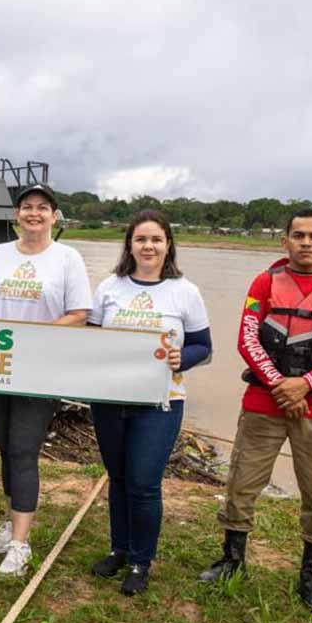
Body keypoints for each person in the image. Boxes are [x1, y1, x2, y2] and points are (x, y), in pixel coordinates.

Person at [199, 208, 312, 616]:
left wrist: (305, 383)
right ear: (283, 240)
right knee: (242, 480)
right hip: (262, 403)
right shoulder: (264, 282)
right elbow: (247, 339)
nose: (306, 243)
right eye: (298, 235)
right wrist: (279, 383)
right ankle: (232, 560)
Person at [87, 210, 212, 595]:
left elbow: (204, 348)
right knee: (119, 478)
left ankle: (141, 561)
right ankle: (119, 549)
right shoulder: (110, 287)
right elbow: (89, 341)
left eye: (156, 239)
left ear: (168, 244)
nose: (148, 246)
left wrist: (182, 358)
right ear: (130, 244)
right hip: (110, 400)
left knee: (143, 483)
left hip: (160, 402)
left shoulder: (184, 291)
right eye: (141, 239)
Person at [0, 183, 92, 575]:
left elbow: (78, 313)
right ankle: (10, 523)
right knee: (6, 446)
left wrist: (34, 339)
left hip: (42, 368)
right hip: (0, 366)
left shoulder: (67, 258)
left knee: (24, 450)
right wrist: (2, 336)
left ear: (54, 216)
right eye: (27, 207)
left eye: (43, 208)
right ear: (17, 215)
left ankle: (21, 545)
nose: (34, 213)